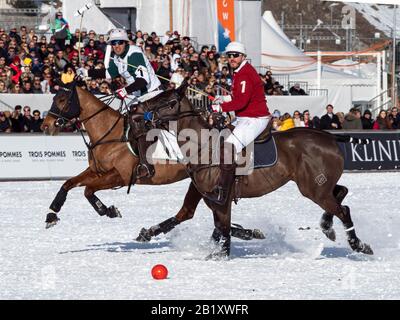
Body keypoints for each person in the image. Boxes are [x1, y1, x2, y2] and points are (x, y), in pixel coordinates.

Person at [87, 28, 162, 178]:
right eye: (113, 43)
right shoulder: (117, 57)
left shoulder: (134, 54)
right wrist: (88, 73)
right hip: (137, 97)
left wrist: (125, 91)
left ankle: (146, 164)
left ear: (126, 42)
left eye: (119, 42)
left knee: (136, 122)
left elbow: (143, 81)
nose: (116, 46)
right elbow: (110, 73)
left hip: (152, 95)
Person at [206, 41, 270, 205]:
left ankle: (225, 191)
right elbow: (238, 97)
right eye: (229, 55)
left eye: (236, 55)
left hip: (254, 118)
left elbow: (241, 102)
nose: (232, 58)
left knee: (228, 148)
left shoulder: (245, 74)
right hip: (245, 117)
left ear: (243, 56)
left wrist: (219, 108)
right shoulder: (240, 71)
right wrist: (224, 99)